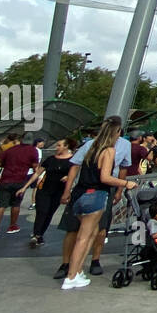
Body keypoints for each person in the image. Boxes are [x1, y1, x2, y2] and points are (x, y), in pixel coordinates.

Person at [62, 120, 140, 290]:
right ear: (116, 132)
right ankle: (71, 276)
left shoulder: (91, 147)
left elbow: (77, 167)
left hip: (80, 193)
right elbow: (105, 177)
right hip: (96, 194)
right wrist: (125, 184)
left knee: (91, 233)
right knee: (84, 237)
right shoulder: (109, 150)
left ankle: (77, 270)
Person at [22, 137, 76, 248]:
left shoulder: (73, 161)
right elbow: (37, 173)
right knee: (42, 211)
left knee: (49, 213)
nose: (57, 148)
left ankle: (40, 234)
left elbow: (75, 174)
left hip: (58, 191)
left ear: (66, 147)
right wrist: (25, 187)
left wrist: (68, 178)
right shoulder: (50, 159)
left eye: (59, 145)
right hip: (44, 189)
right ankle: (36, 235)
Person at [0, 130, 38, 236]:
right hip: (20, 181)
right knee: (16, 204)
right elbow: (35, 167)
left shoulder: (10, 150)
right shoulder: (33, 150)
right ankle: (12, 226)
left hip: (5, 179)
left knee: (1, 205)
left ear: (21, 140)